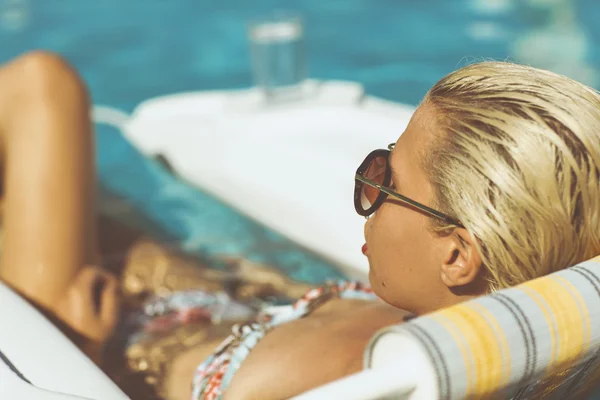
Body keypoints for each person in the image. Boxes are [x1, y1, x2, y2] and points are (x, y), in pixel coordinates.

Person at [2, 51, 600, 400]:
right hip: (195, 306)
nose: (364, 190)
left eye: (384, 177)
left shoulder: (373, 384)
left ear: (456, 256)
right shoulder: (471, 343)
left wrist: (79, 351)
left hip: (92, 338)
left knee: (41, 85)